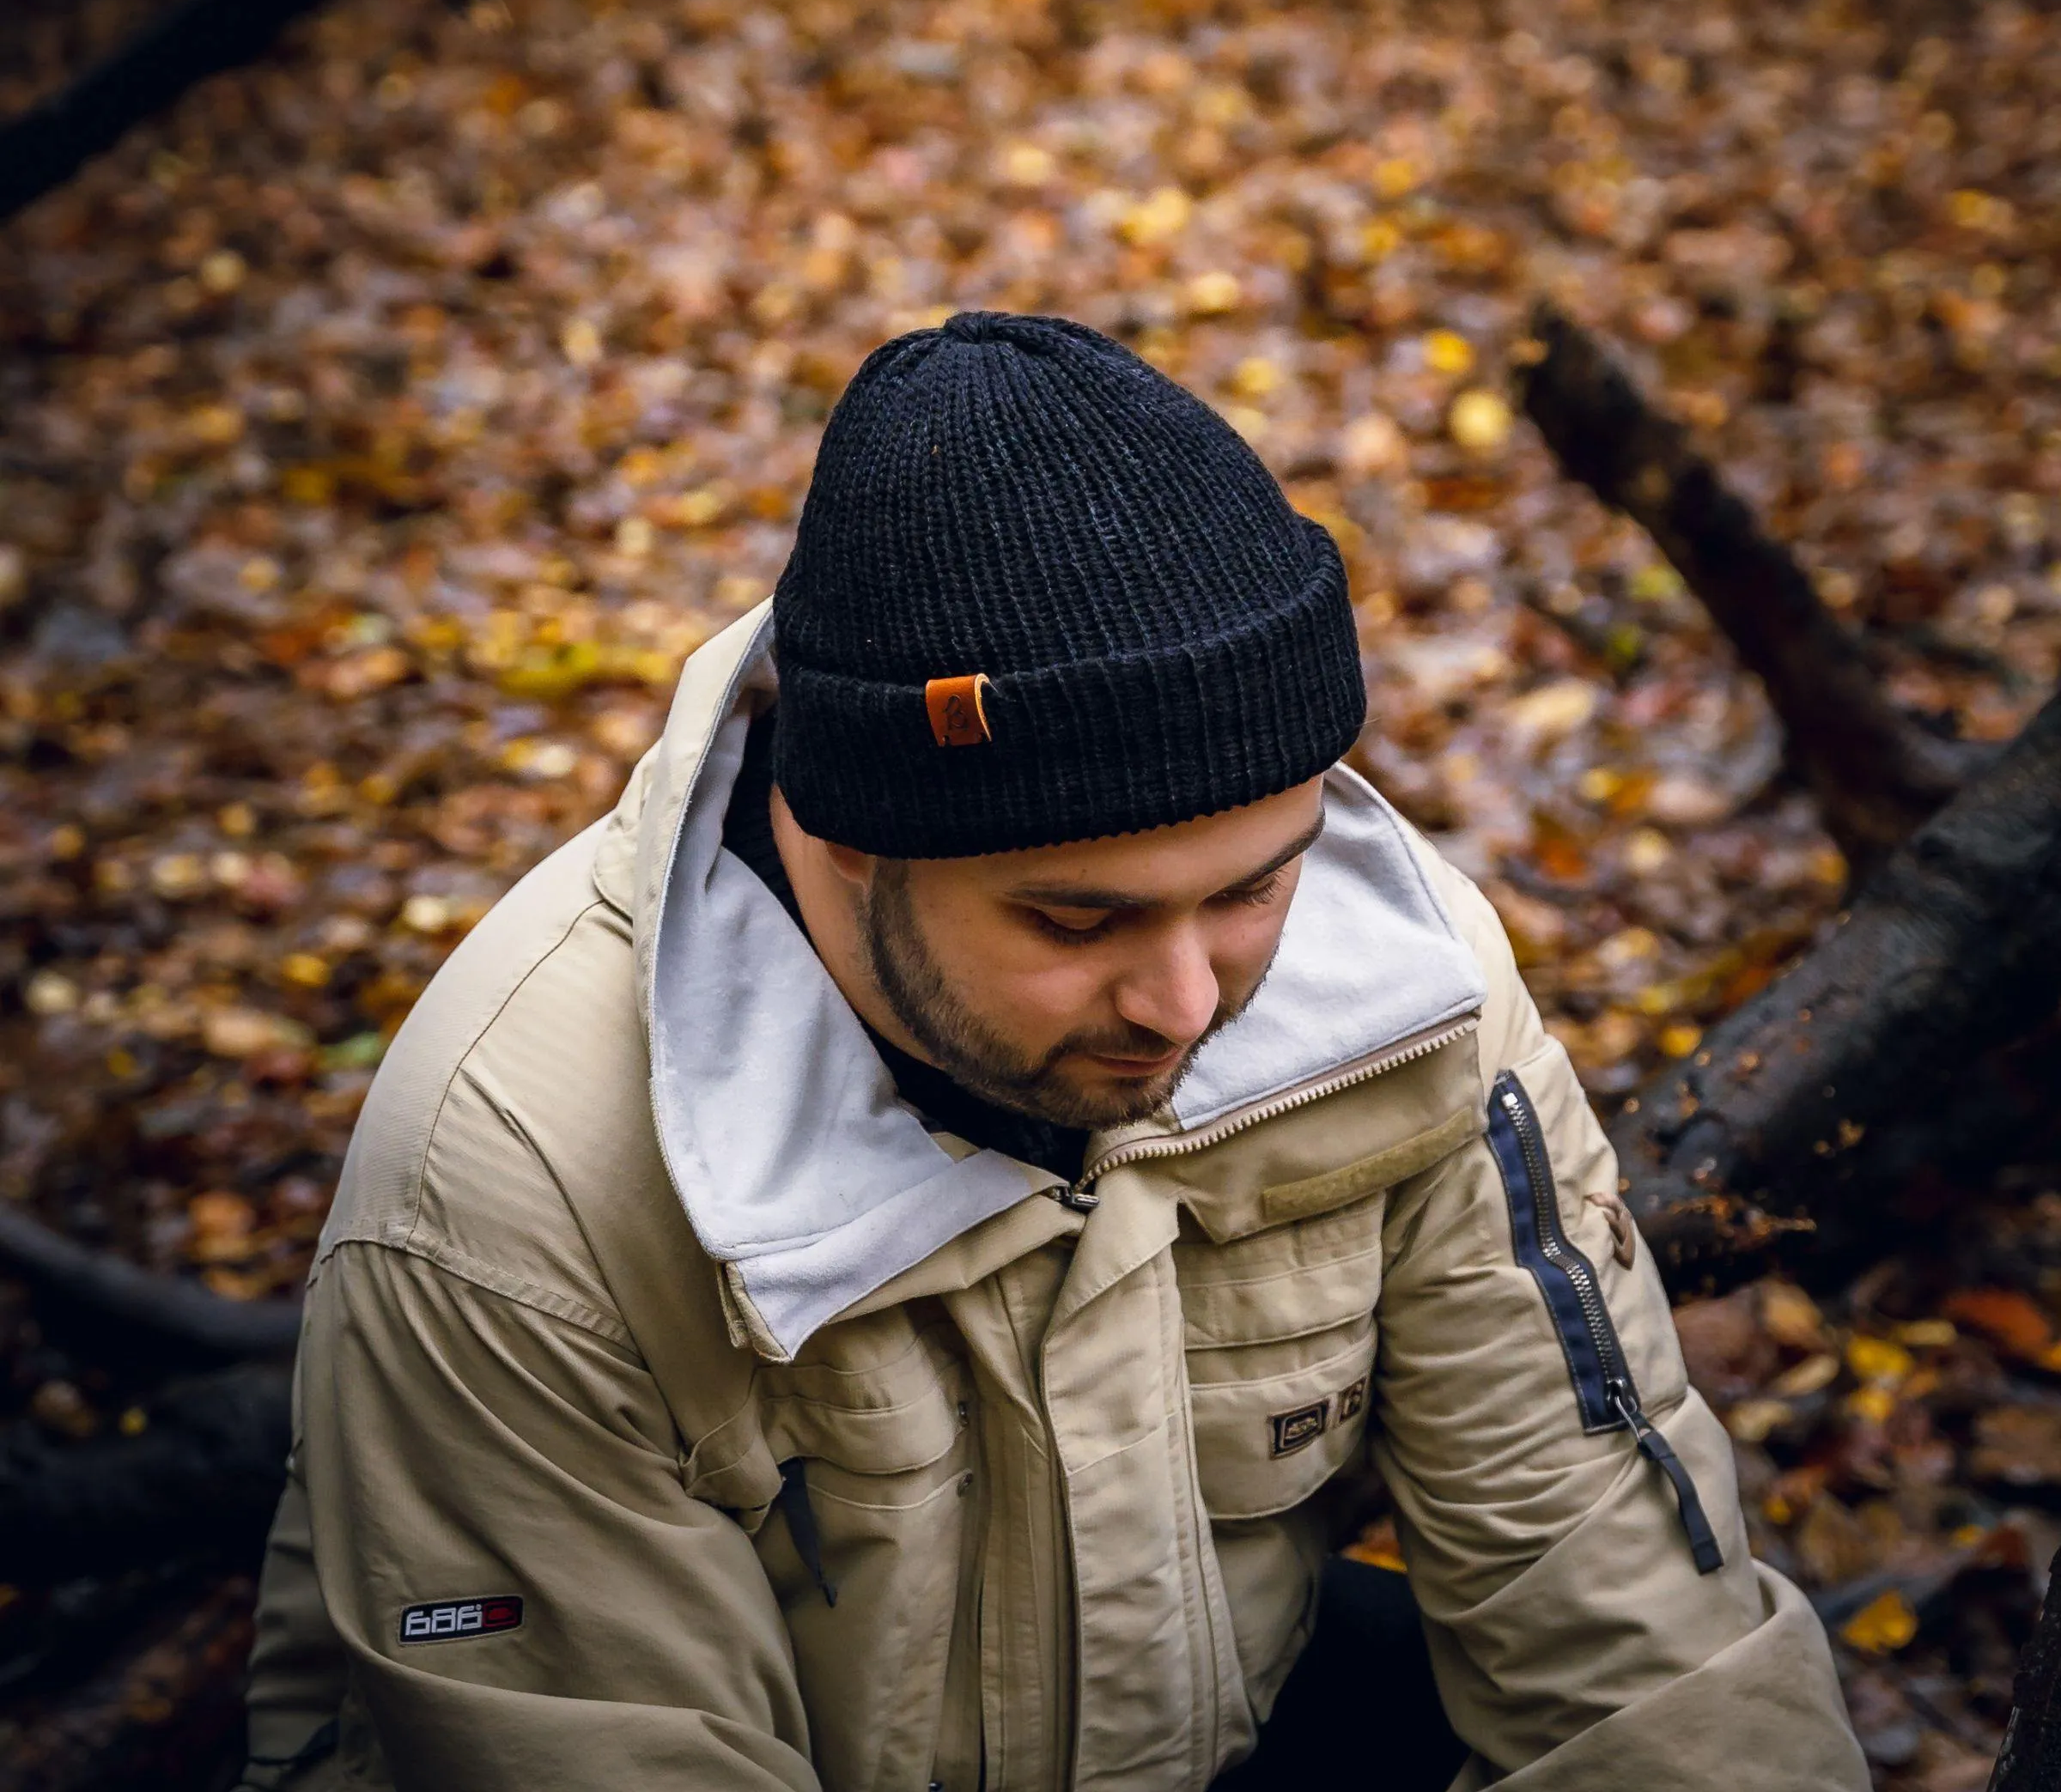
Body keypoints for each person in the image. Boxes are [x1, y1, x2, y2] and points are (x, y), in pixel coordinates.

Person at [242, 313, 1867, 1792]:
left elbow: (1626, 1616)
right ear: (843, 837)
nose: (1187, 1001)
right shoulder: (517, 1179)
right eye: (1078, 923)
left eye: (1251, 886)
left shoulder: (1400, 993)